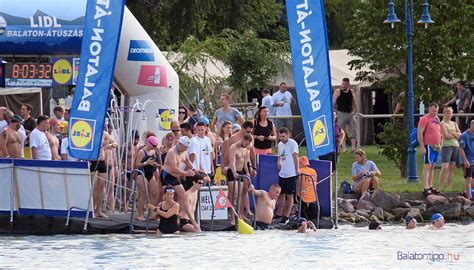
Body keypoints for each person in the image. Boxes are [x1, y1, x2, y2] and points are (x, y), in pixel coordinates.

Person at [161, 136, 201, 232]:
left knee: (182, 196)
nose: (185, 149)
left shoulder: (184, 151)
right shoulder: (172, 153)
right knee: (174, 196)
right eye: (185, 147)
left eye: (187, 148)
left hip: (175, 177)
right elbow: (174, 168)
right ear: (180, 144)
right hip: (167, 175)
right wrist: (186, 173)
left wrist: (194, 169)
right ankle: (191, 221)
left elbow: (187, 161)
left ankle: (181, 217)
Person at [227, 134, 254, 225]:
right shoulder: (233, 147)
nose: (246, 145)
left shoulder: (245, 148)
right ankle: (232, 217)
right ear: (242, 139)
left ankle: (239, 215)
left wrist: (247, 172)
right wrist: (234, 173)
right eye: (245, 143)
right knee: (233, 195)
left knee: (239, 196)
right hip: (232, 172)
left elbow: (245, 162)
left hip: (241, 173)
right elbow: (232, 162)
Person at [91, 130, 117, 218]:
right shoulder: (92, 131)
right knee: (92, 187)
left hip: (102, 162)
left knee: (101, 187)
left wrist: (109, 145)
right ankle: (92, 208)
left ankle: (99, 210)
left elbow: (115, 143)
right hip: (92, 161)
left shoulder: (104, 133)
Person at [275, 127, 299, 224]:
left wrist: (297, 171)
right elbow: (280, 156)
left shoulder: (292, 143)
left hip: (291, 173)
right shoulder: (280, 144)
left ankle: (287, 215)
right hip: (282, 173)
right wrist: (279, 163)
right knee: (281, 194)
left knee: (290, 195)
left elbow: (296, 157)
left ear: (288, 135)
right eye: (280, 136)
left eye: (283, 136)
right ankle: (279, 213)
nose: (281, 138)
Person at [417, 103, 441, 196]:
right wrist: (422, 146)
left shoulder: (436, 119)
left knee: (432, 166)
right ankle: (425, 186)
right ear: (429, 109)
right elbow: (420, 133)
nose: (435, 112)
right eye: (433, 111)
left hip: (436, 145)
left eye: (436, 111)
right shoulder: (425, 119)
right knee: (427, 166)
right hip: (428, 145)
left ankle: (430, 185)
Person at [134, 136, 161, 220]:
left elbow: (152, 162)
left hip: (150, 174)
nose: (154, 147)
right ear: (148, 143)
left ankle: (152, 214)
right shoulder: (142, 152)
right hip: (141, 174)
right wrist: (146, 163)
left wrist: (157, 165)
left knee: (154, 193)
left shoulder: (153, 151)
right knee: (143, 194)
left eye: (155, 146)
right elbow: (137, 164)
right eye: (153, 146)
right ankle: (140, 214)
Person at [333, 78, 359, 152]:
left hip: (350, 113)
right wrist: (335, 111)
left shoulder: (351, 92)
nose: (343, 85)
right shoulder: (338, 91)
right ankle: (344, 148)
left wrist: (357, 112)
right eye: (342, 84)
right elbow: (333, 103)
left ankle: (353, 147)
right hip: (341, 113)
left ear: (348, 84)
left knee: (353, 130)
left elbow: (354, 103)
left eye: (345, 84)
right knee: (342, 131)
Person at [439, 107, 461, 191]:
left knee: (452, 167)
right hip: (446, 146)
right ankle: (441, 186)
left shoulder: (454, 124)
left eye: (450, 113)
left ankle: (449, 186)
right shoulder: (442, 123)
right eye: (447, 113)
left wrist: (451, 133)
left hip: (455, 146)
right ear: (444, 114)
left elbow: (460, 135)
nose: (449, 115)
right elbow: (446, 136)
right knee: (445, 167)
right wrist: (455, 134)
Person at [180, 122, 202, 188]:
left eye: (183, 131)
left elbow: (192, 157)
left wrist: (185, 171)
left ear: (188, 131)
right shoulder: (188, 141)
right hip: (188, 172)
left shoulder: (193, 142)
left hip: (190, 173)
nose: (181, 133)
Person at [458, 120, 474, 199]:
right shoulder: (465, 135)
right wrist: (465, 160)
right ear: (471, 125)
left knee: (473, 180)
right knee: (469, 178)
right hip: (468, 160)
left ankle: (465, 192)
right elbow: (461, 148)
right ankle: (469, 197)